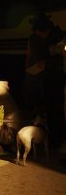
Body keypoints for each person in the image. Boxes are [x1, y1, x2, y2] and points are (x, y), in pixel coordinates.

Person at [24, 12, 65, 148]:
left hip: (56, 78)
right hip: (39, 77)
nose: (40, 36)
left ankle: (57, 139)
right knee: (43, 107)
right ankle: (44, 137)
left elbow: (61, 58)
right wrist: (29, 71)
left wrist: (47, 63)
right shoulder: (34, 38)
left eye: (42, 33)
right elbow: (29, 56)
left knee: (56, 109)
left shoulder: (59, 36)